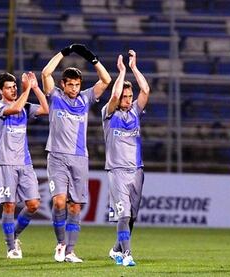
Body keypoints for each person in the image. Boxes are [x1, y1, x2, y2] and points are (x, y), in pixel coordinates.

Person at [41, 44, 111, 263]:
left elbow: (107, 80)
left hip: (80, 157)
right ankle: (61, 244)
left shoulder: (85, 99)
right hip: (57, 156)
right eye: (70, 84)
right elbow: (45, 73)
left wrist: (92, 58)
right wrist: (65, 51)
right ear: (63, 84)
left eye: (77, 84)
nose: (73, 88)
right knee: (60, 202)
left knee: (75, 205)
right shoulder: (55, 97)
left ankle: (70, 251)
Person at [0, 72, 49, 259]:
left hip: (25, 162)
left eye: (15, 86)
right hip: (6, 162)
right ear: (1, 90)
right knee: (9, 205)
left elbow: (46, 109)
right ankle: (11, 248)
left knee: (33, 204)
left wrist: (36, 87)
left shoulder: (26, 106)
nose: (13, 89)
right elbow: (14, 109)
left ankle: (13, 236)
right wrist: (27, 89)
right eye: (9, 87)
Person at [102, 50, 150, 267]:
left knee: (131, 217)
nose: (129, 100)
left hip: (137, 171)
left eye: (130, 97)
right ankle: (128, 254)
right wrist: (121, 72)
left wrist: (133, 68)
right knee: (123, 215)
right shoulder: (109, 114)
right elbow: (113, 97)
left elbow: (146, 90)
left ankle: (115, 249)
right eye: (125, 96)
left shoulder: (135, 112)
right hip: (117, 171)